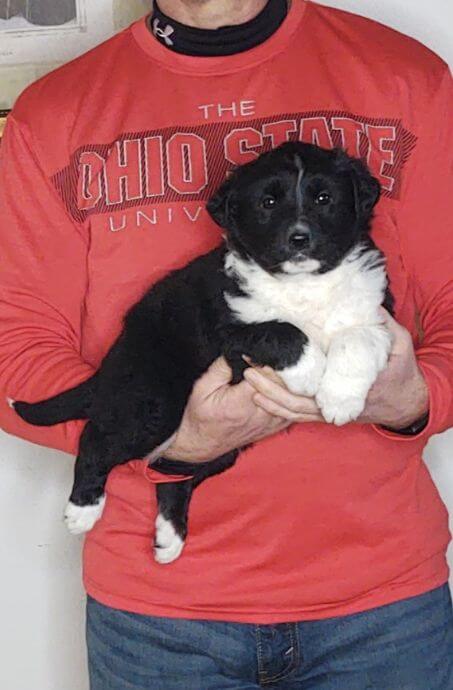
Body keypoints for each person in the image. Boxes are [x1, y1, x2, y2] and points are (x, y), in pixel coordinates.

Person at [0, 1, 452, 687]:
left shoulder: (404, 78)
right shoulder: (53, 113)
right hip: (160, 619)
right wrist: (168, 438)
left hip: (381, 609)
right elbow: (13, 349)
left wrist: (417, 398)